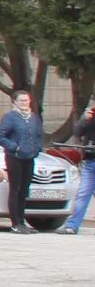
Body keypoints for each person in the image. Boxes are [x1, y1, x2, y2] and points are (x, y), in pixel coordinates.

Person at [0, 93, 43, 234]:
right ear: (15, 102)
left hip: (29, 157)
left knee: (24, 190)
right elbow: (0, 136)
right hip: (14, 157)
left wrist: (37, 148)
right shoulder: (10, 117)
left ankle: (22, 222)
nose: (23, 103)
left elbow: (38, 134)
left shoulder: (33, 117)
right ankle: (15, 223)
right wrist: (14, 147)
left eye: (26, 100)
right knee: (15, 189)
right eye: (20, 100)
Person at [60, 100, 95, 235]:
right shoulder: (91, 115)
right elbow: (77, 132)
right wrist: (84, 120)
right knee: (82, 194)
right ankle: (72, 225)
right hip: (91, 161)